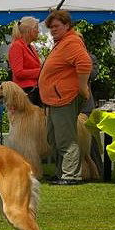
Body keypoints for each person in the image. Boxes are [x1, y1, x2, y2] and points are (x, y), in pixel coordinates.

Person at [38, 10, 92, 185]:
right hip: (55, 99)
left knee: (65, 139)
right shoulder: (62, 42)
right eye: (50, 27)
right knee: (53, 138)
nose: (52, 30)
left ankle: (70, 176)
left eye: (56, 26)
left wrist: (82, 86)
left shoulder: (71, 42)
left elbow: (85, 63)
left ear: (67, 25)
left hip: (65, 98)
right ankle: (62, 172)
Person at [7, 16, 42, 105]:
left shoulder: (31, 47)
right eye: (36, 29)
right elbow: (18, 72)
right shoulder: (17, 46)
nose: (38, 31)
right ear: (29, 30)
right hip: (25, 93)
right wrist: (41, 71)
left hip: (34, 91)